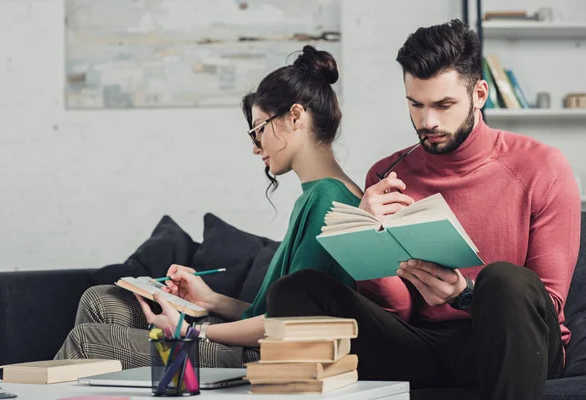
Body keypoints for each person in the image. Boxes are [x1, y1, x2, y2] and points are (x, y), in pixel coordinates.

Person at [265, 19, 581, 400]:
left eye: (444, 105)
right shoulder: (388, 174)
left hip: (517, 345)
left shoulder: (542, 166)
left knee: (504, 280)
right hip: (425, 347)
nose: (427, 121)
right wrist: (368, 236)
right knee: (297, 290)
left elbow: (547, 300)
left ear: (479, 94)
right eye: (416, 105)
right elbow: (398, 311)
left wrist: (466, 294)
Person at [54, 45, 364, 369]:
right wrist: (209, 299)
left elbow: (288, 326)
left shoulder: (329, 200)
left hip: (266, 356)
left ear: (296, 117)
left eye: (259, 129)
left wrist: (191, 333)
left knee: (86, 340)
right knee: (99, 301)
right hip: (256, 341)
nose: (256, 147)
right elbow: (267, 313)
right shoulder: (318, 194)